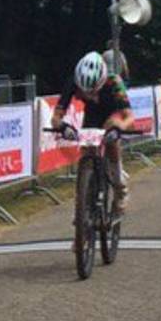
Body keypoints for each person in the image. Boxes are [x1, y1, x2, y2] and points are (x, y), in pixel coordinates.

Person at [50, 51, 135, 212]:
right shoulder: (74, 81)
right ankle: (84, 200)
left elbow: (129, 117)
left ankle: (120, 187)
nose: (89, 95)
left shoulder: (114, 82)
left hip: (112, 113)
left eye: (94, 90)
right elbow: (56, 117)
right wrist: (63, 127)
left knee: (111, 134)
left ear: (102, 81)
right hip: (93, 115)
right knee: (87, 148)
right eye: (85, 91)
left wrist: (119, 129)